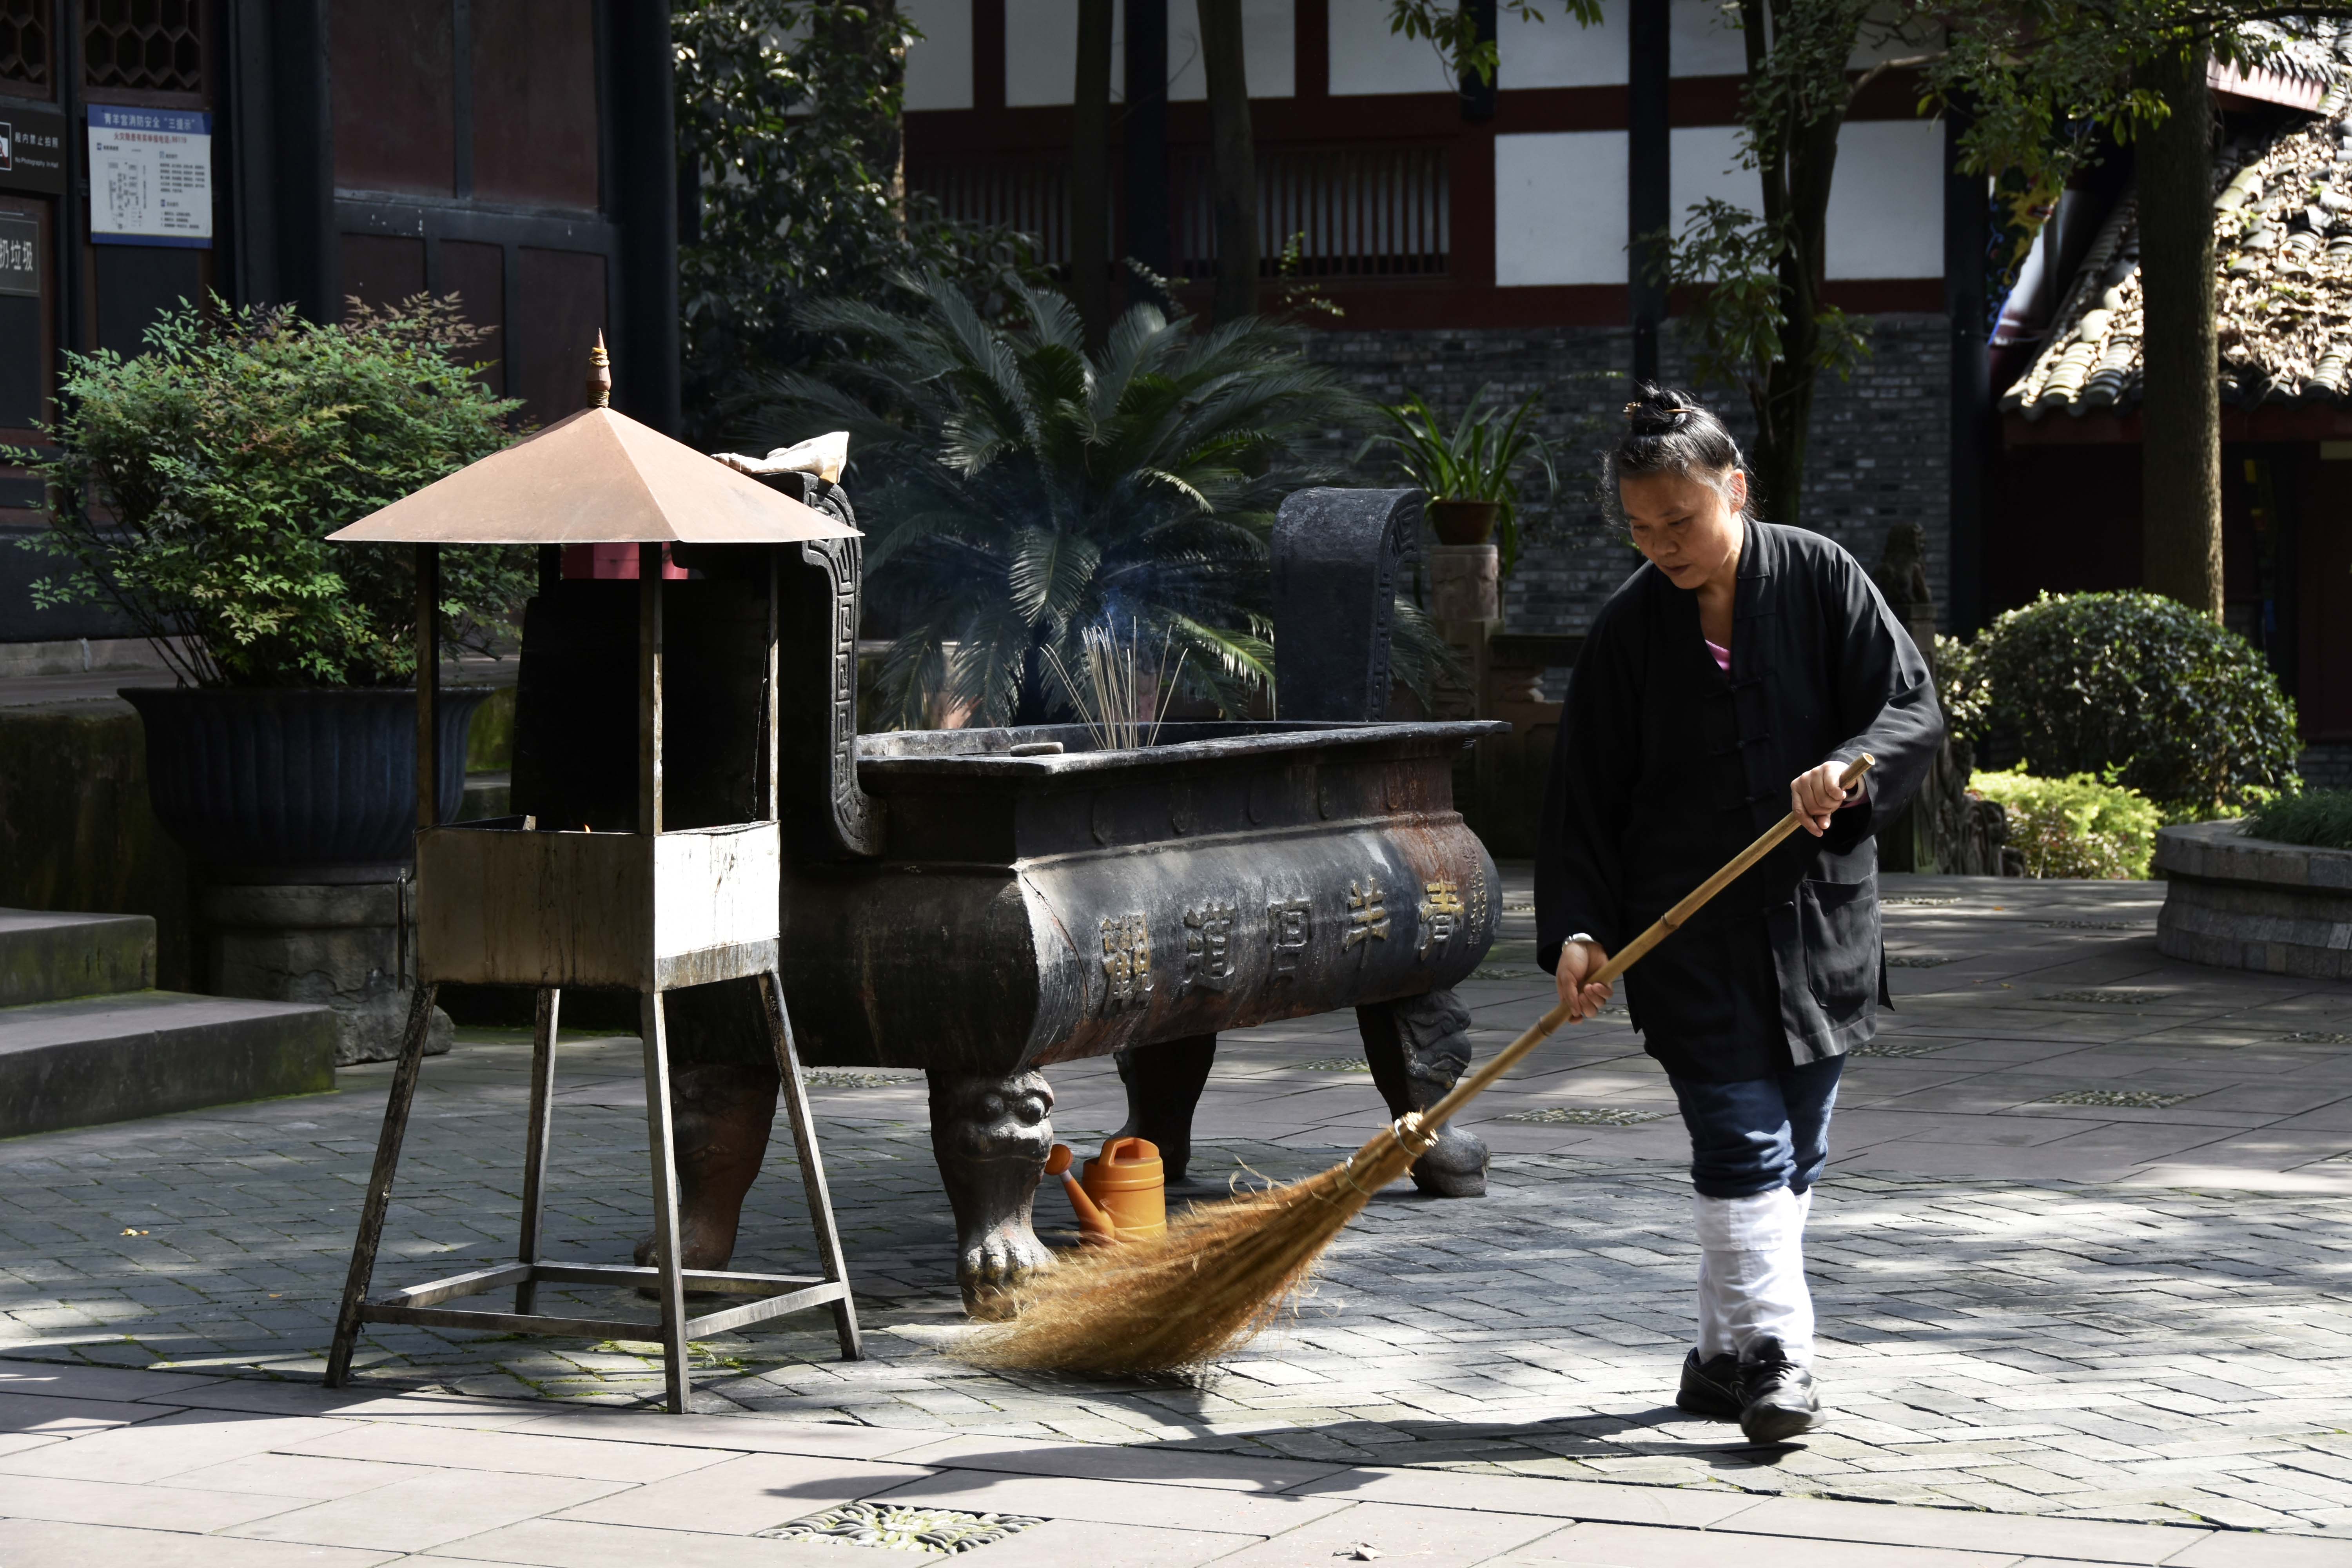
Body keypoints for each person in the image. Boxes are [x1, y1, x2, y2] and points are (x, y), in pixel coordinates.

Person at [1535, 386, 1942, 1443]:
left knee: (1797, 1148)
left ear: (1736, 492)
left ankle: (1718, 1362)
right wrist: (1580, 932)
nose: (1661, 544)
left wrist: (1851, 768)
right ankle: (1777, 1359)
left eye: (1681, 520)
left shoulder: (1820, 578)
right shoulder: (1629, 631)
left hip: (1818, 926)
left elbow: (1911, 708)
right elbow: (1583, 798)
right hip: (1684, 932)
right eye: (1640, 527)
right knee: (1744, 1142)